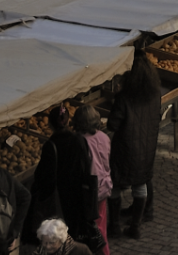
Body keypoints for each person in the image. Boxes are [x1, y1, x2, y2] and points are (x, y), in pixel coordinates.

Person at [106, 50, 161, 241]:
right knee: (140, 184)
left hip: (125, 150)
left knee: (114, 187)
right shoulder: (155, 96)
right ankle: (135, 226)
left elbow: (112, 124)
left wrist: (115, 98)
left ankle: (113, 227)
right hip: (146, 149)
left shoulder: (124, 99)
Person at [36, 104, 101, 253]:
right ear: (68, 121)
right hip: (78, 196)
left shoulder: (50, 145)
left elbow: (43, 178)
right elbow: (86, 166)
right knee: (75, 233)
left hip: (61, 198)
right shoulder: (79, 139)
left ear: (50, 124)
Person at [76, 105, 112, 251]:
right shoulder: (104, 137)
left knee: (93, 230)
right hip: (104, 185)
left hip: (90, 190)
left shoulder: (81, 141)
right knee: (101, 224)